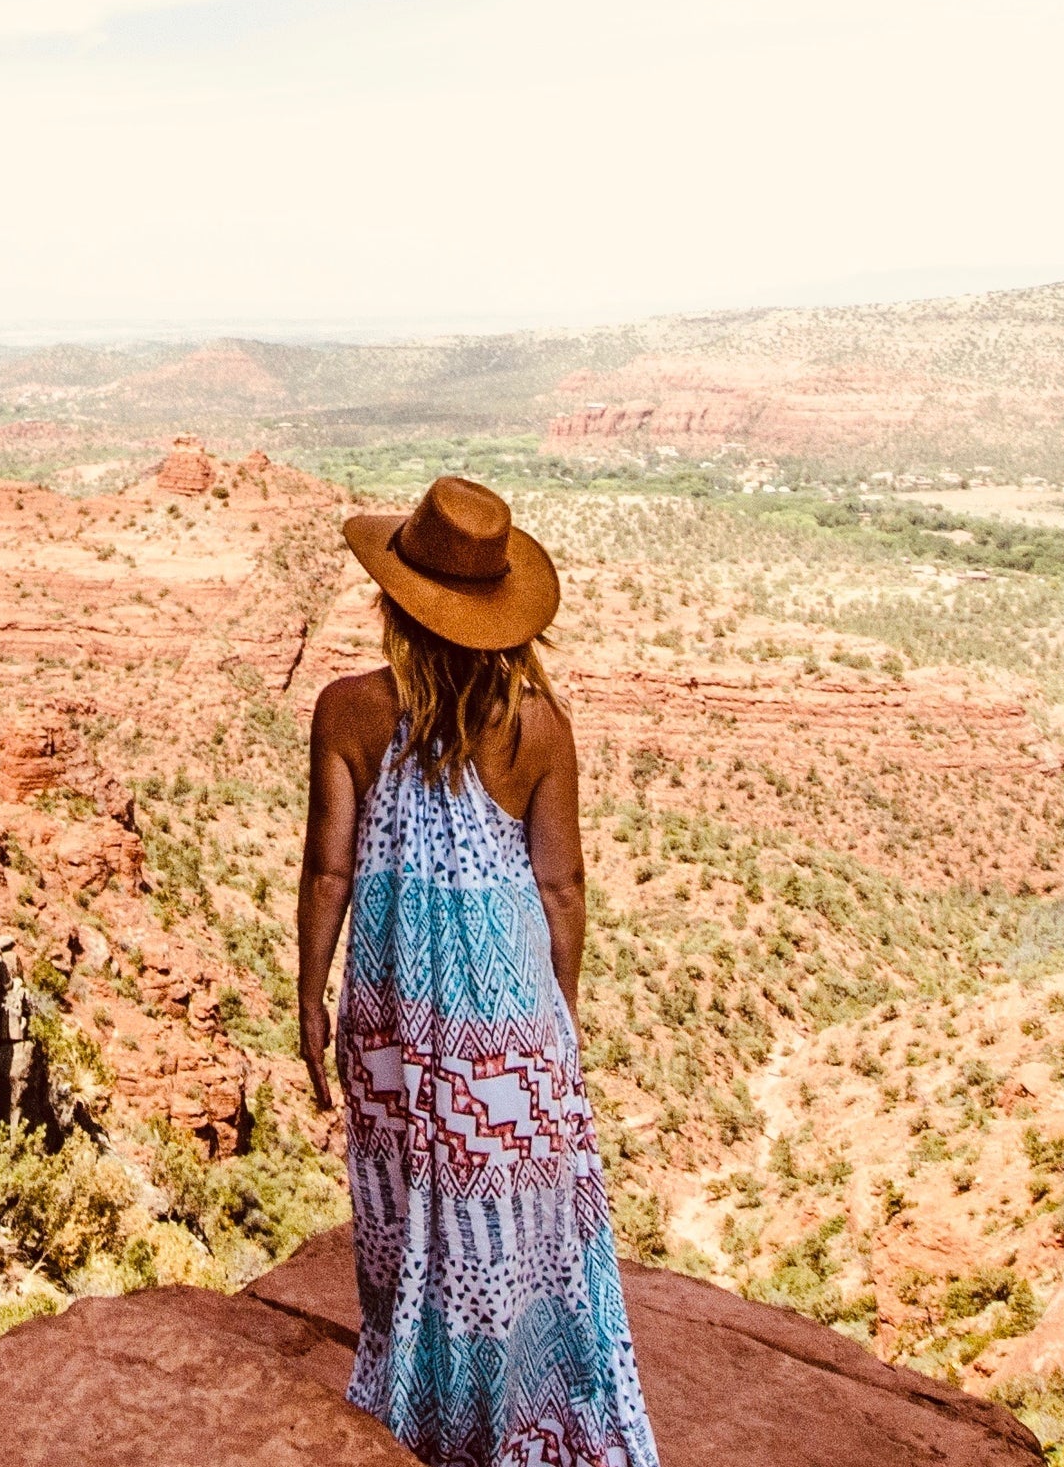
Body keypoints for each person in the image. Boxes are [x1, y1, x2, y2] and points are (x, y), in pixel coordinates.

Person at [297, 474, 663, 1467]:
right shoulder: (539, 725)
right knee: (508, 1210)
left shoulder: (345, 710)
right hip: (506, 1012)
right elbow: (562, 888)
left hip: (384, 1000)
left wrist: (307, 996)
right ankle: (512, 1412)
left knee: (401, 1194)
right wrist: (561, 1016)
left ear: (394, 602)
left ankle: (420, 1403)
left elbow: (328, 869)